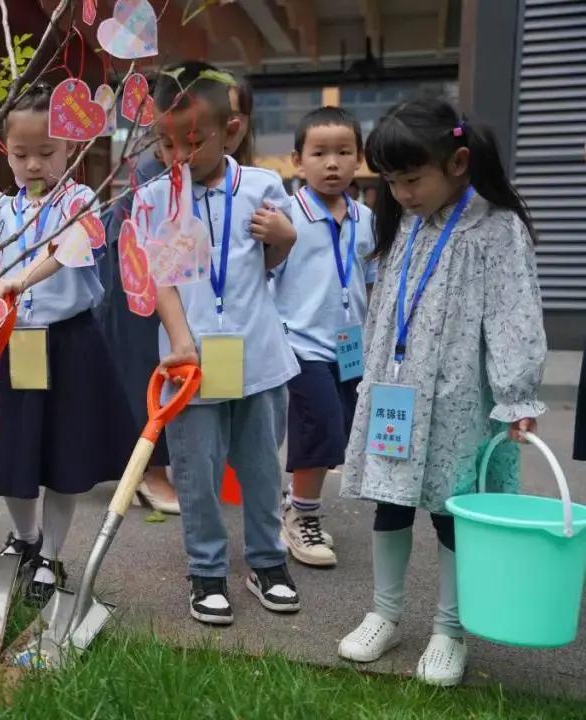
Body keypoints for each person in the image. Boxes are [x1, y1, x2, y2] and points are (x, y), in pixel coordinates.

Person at [337, 98, 546, 687]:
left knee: (455, 513)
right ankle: (385, 612)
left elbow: (514, 315)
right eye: (393, 182)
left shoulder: (496, 229)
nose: (402, 193)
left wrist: (517, 394)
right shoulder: (405, 222)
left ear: (458, 162)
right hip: (398, 396)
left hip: (462, 401)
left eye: (412, 179)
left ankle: (450, 630)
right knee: (390, 502)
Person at [0, 82, 136, 605]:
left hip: (71, 344)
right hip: (11, 343)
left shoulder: (81, 201)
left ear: (70, 148)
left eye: (47, 153)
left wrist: (17, 281)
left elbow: (66, 250)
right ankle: (26, 538)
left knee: (65, 459)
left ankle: (53, 555)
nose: (33, 164)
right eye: (20, 154)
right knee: (10, 455)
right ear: (4, 151)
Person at [135, 60, 301, 625]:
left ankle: (266, 561)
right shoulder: (156, 197)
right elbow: (162, 279)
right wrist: (181, 341)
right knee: (196, 472)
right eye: (165, 141)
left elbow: (271, 267)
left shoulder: (262, 186)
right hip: (190, 363)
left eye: (192, 141)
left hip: (258, 355)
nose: (176, 155)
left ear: (232, 129)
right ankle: (206, 570)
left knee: (260, 467)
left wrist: (285, 238)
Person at [95, 74, 257, 514]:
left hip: (188, 294)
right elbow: (139, 247)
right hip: (140, 282)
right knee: (143, 369)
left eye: (237, 116)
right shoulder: (158, 173)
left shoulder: (239, 178)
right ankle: (150, 472)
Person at [270, 107, 376, 567]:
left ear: (360, 159)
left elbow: (370, 280)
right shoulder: (284, 216)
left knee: (338, 437)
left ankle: (295, 504)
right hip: (299, 345)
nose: (331, 163)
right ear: (298, 160)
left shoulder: (367, 217)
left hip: (349, 348)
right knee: (320, 429)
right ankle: (302, 519)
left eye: (343, 152)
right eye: (319, 153)